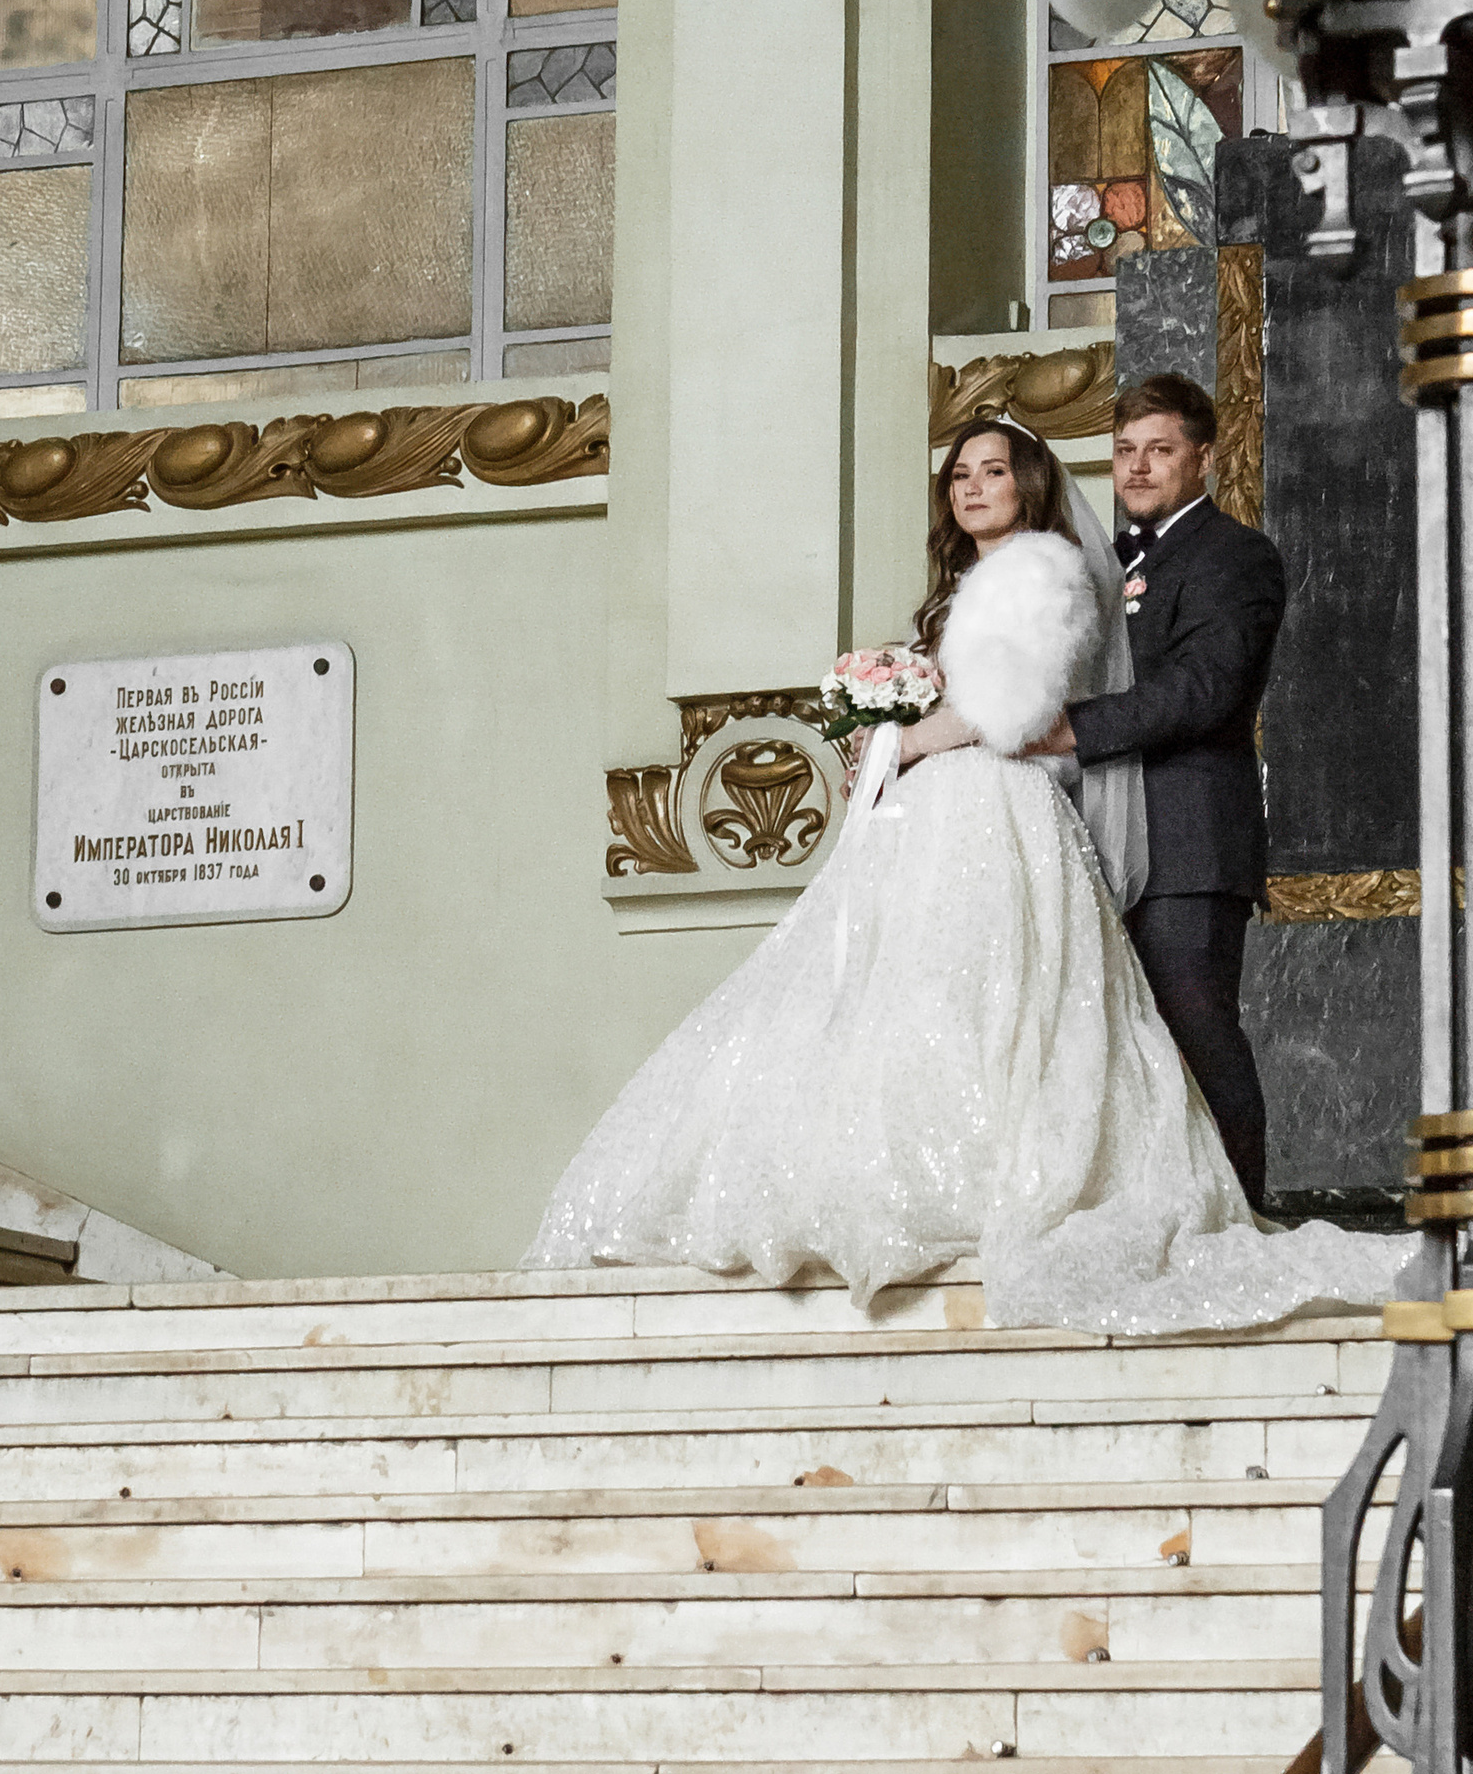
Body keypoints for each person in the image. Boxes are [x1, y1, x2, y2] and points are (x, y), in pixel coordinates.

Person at [527, 415, 1397, 1335]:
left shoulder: (1042, 570)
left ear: (1028, 481)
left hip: (994, 804)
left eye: (993, 471)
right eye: (959, 476)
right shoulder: (965, 587)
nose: (973, 487)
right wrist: (887, 718)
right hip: (944, 810)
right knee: (924, 996)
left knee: (1004, 1001)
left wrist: (900, 740)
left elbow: (1008, 713)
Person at [1025, 372, 1286, 1212]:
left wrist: (1072, 727)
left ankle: (1245, 1216)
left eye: (1160, 450)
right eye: (1126, 450)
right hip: (1098, 834)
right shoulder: (1099, 561)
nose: (1137, 469)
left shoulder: (1234, 555)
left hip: (1185, 844)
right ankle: (1161, 1211)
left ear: (1203, 458)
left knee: (1197, 1033)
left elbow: (1204, 690)